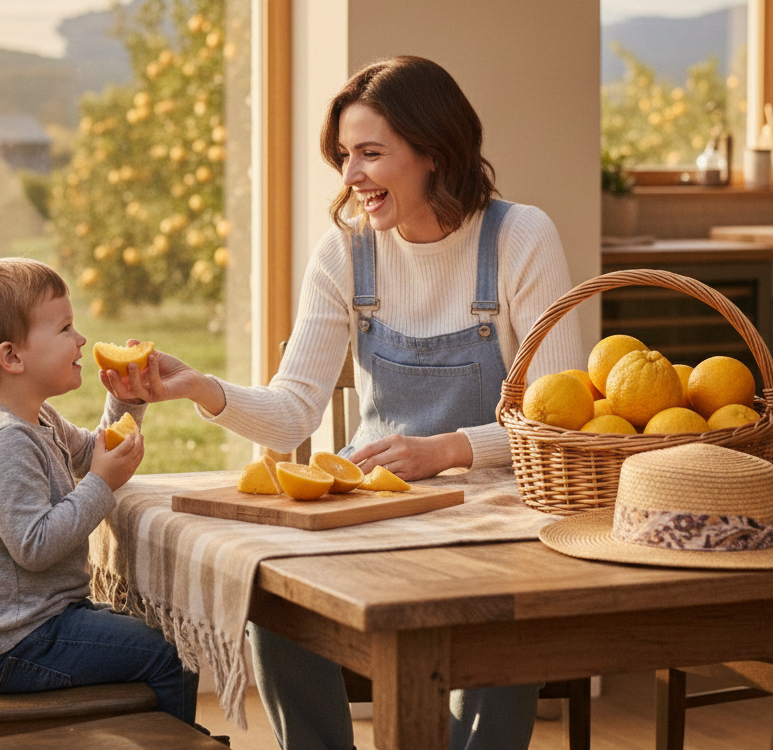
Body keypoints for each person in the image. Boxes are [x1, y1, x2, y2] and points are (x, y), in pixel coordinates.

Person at [104, 56, 583, 750]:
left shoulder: (520, 237)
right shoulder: (346, 253)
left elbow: (556, 421)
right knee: (272, 594)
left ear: (433, 153)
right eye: (343, 156)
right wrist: (200, 388)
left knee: (505, 607)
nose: (350, 175)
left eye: (370, 154)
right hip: (378, 516)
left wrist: (448, 450)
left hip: (495, 515)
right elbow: (293, 409)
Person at [0, 257, 199, 726]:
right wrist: (101, 483)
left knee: (152, 636)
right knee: (171, 656)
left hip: (33, 625)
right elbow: (35, 546)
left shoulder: (36, 417)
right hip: (13, 644)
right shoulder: (2, 440)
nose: (82, 339)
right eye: (66, 328)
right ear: (12, 357)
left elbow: (93, 453)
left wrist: (127, 401)